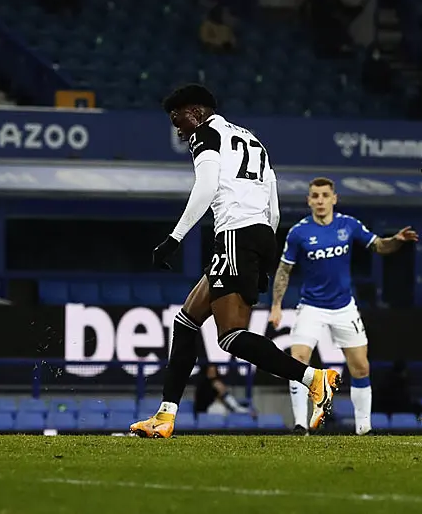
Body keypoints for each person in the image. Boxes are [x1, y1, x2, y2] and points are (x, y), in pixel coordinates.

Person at [130, 84, 340, 439]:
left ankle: (313, 378)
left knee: (230, 337)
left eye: (178, 119)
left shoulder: (205, 132)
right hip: (258, 234)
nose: (178, 129)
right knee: (185, 322)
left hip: (235, 234)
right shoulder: (251, 140)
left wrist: (175, 238)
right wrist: (266, 256)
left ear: (195, 112)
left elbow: (208, 185)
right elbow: (273, 203)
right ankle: (165, 416)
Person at [269, 177, 417, 435]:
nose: (320, 200)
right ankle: (300, 425)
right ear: (309, 200)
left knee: (361, 367)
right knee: (298, 359)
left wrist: (396, 240)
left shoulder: (348, 225)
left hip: (343, 307)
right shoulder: (299, 233)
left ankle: (363, 428)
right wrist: (276, 305)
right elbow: (284, 270)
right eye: (315, 196)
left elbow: (379, 246)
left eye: (325, 195)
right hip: (311, 307)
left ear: (334, 198)